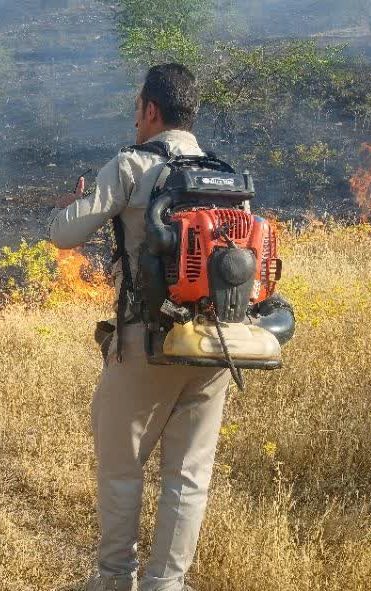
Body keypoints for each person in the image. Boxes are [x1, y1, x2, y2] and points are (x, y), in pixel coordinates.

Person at [49, 64, 231, 591]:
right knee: (188, 475)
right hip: (215, 342)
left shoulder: (131, 166)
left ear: (151, 110)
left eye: (137, 110)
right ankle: (167, 584)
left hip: (146, 341)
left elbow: (64, 236)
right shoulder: (225, 174)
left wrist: (73, 205)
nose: (135, 121)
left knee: (122, 469)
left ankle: (113, 580)